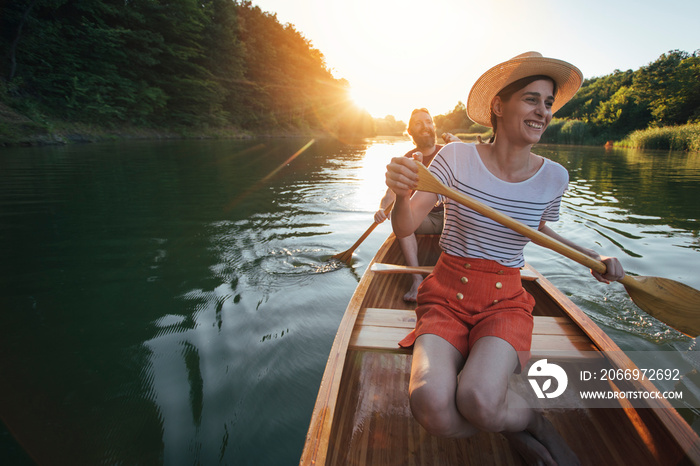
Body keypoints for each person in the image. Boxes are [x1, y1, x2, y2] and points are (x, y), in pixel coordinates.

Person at [384, 52, 625, 465]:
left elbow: (541, 230)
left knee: (478, 397)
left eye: (548, 103)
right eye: (532, 99)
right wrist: (401, 196)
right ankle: (513, 425)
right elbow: (405, 228)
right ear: (499, 105)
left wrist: (593, 255)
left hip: (504, 300)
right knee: (429, 403)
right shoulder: (453, 160)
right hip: (444, 294)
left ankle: (532, 421)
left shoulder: (555, 177)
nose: (543, 112)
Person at [374, 108, 459, 301]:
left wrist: (463, 151)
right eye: (419, 123)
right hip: (425, 218)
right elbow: (390, 194)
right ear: (410, 131)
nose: (425, 127)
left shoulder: (450, 152)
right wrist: (381, 209)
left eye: (428, 122)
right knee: (401, 220)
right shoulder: (407, 159)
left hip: (450, 217)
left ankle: (456, 279)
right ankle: (416, 279)